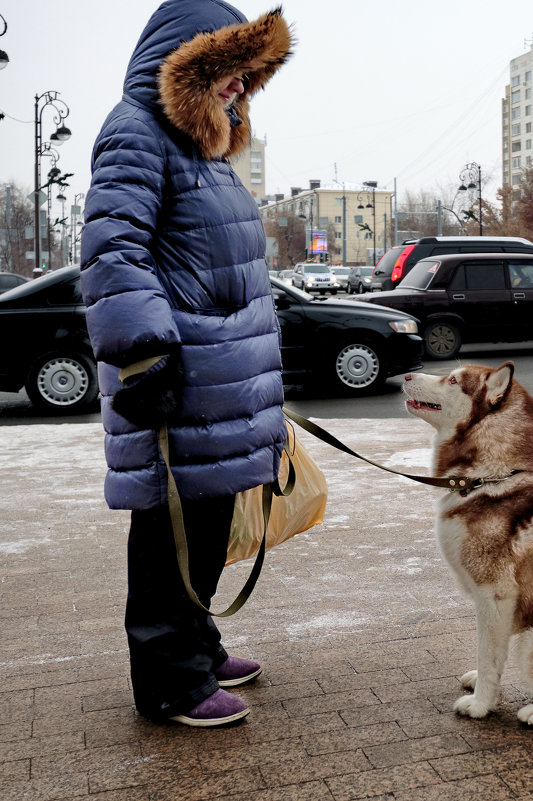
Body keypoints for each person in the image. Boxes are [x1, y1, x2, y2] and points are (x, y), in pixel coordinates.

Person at [80, 0, 293, 728]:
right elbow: (115, 252)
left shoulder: (202, 150)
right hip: (177, 380)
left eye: (246, 76)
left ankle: (197, 645)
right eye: (229, 72)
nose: (238, 88)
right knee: (170, 532)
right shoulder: (136, 133)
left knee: (204, 530)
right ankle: (170, 680)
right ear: (188, 68)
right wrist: (143, 359)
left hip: (221, 380)